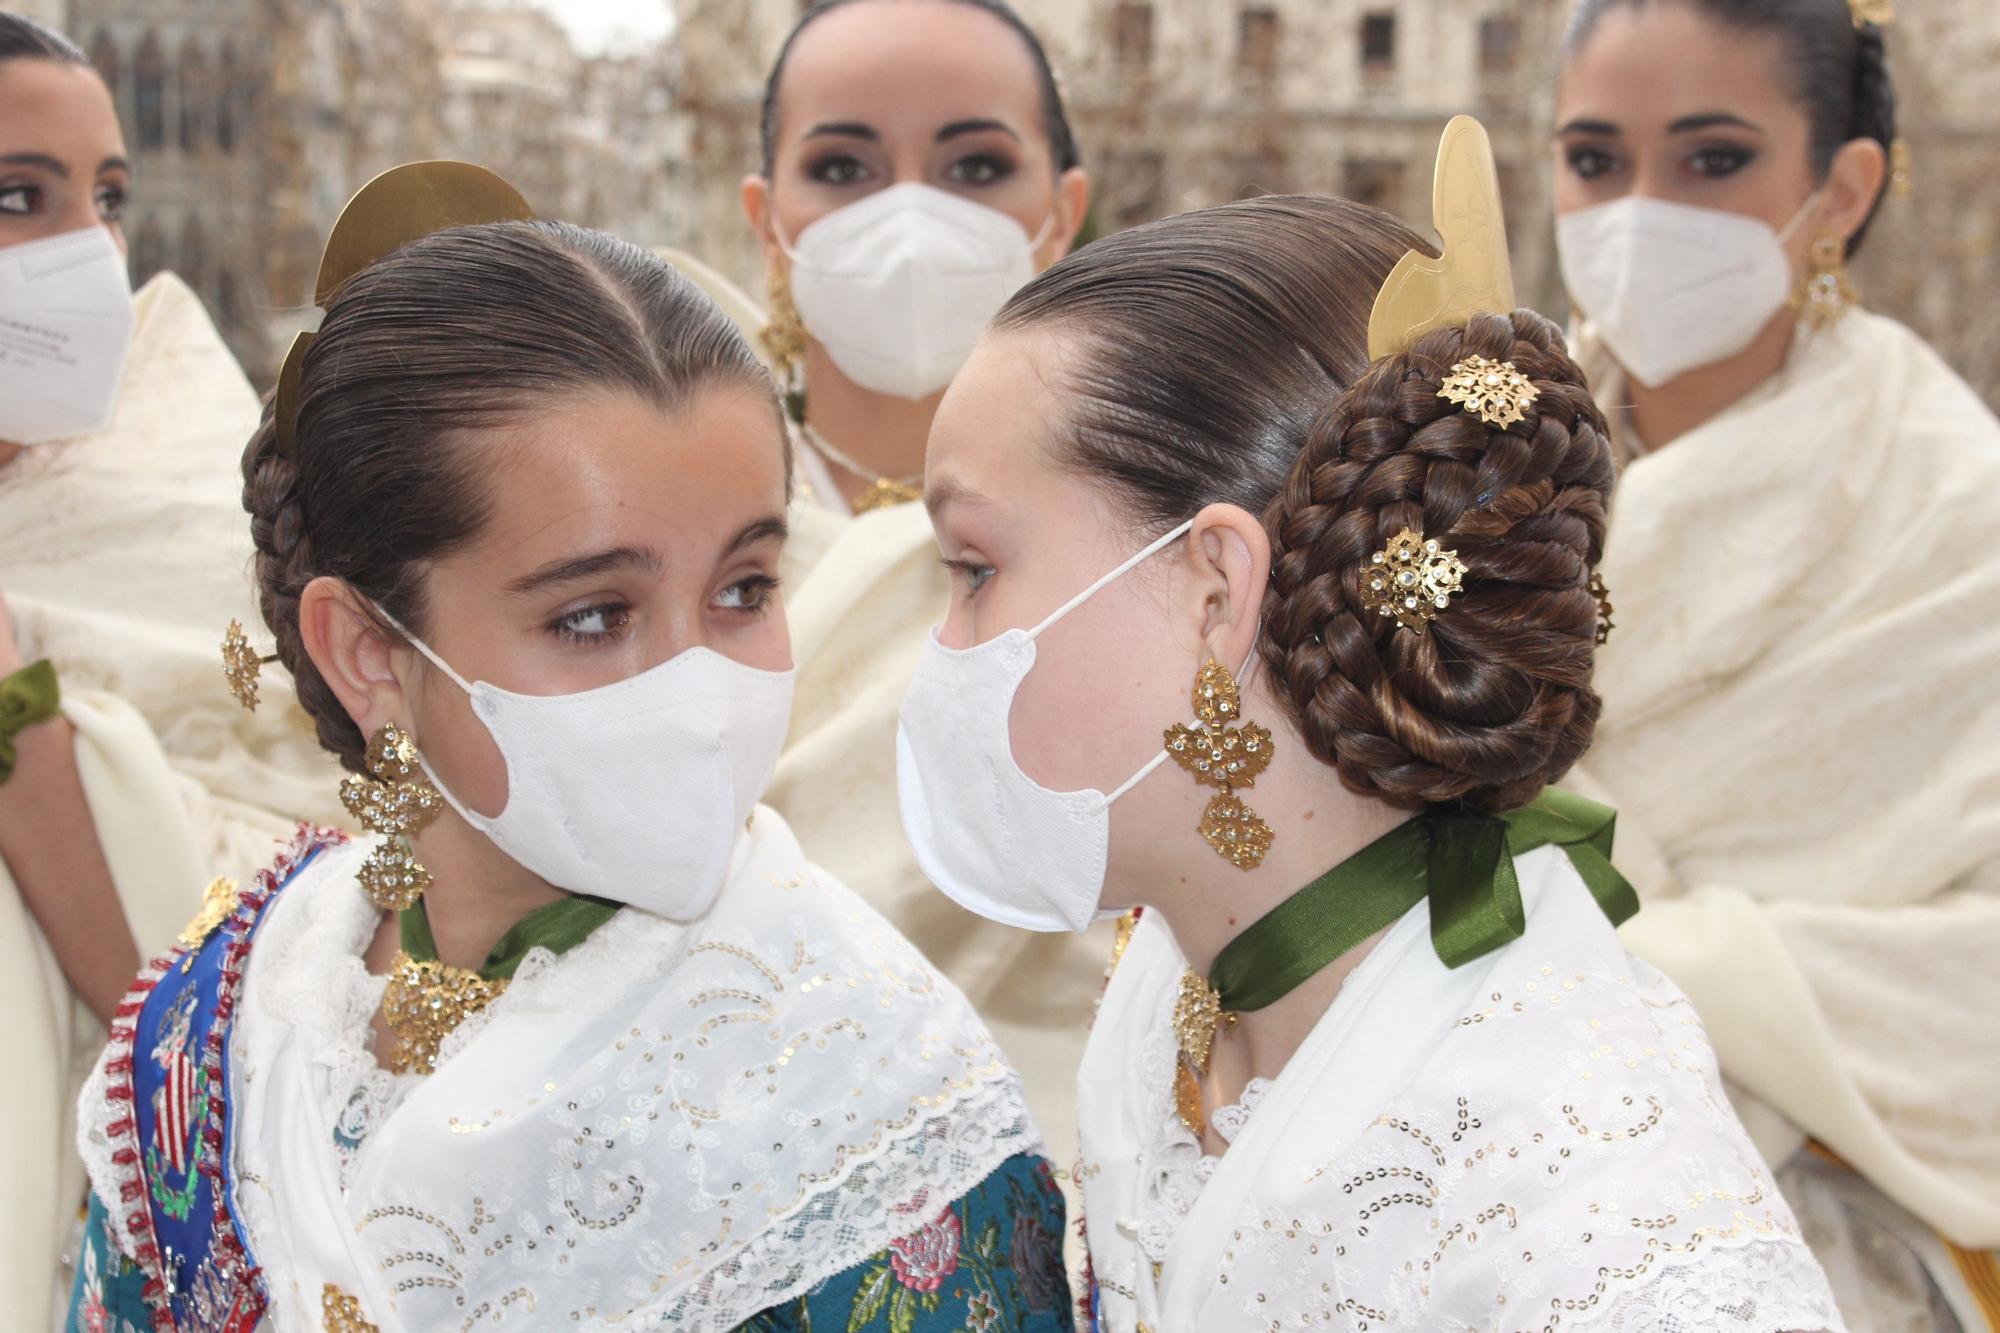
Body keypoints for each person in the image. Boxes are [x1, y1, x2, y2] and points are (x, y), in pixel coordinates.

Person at [64, 163, 1070, 1332]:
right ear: (367, 652)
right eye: (592, 616)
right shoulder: (220, 1019)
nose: (698, 688)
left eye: (745, 588)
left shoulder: (872, 1094)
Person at [894, 118, 1845, 1329]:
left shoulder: (1593, 1208)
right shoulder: (1178, 971)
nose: (943, 648)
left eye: (972, 568)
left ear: (1215, 594)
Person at [1554, 1, 2000, 1322]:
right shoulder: (1465, 472)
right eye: (1593, 159)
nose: (1639, 212)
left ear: (1841, 187)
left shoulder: (1955, 512)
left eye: (1713, 159)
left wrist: (1630, 973)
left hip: (1837, 1251)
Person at [0, 12, 338, 1323]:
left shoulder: (214, 510)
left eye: (110, 199)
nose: (85, 250)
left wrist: (22, 717)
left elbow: (261, 954)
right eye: (17, 198)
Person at [742, 0, 1103, 1213]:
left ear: (1064, 213)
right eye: (841, 166)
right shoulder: (632, 536)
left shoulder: (1174, 530)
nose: (908, 213)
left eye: (974, 166)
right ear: (766, 220)